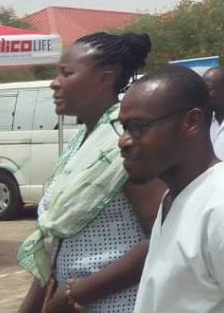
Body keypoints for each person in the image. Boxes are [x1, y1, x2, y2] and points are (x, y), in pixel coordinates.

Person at [16, 33, 164, 313]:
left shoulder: (125, 143)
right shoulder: (82, 142)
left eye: (66, 73)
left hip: (118, 305)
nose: (54, 83)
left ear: (103, 79)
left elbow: (161, 237)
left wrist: (76, 294)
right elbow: (57, 242)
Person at [119, 66, 224, 313]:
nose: (124, 141)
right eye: (123, 127)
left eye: (139, 126)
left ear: (191, 122)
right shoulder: (175, 195)